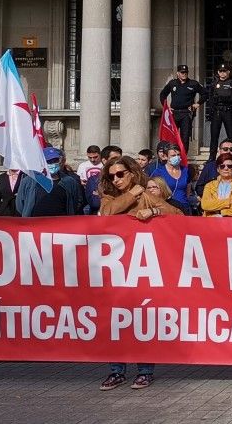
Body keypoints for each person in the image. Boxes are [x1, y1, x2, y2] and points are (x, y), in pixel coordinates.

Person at [98, 156, 181, 390]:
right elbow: (106, 213)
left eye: (121, 174)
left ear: (132, 173)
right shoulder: (111, 197)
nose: (116, 179)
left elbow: (178, 216)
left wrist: (153, 210)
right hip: (116, 270)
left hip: (143, 268)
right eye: (112, 176)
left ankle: (145, 371)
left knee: (142, 321)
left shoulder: (147, 196)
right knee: (115, 322)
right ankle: (116, 371)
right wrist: (133, 194)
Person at [17, 147, 85, 217]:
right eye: (49, 161)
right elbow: (20, 205)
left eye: (55, 160)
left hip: (61, 224)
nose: (53, 163)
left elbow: (76, 202)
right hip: (35, 224)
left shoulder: (69, 181)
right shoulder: (29, 181)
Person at [159, 64, 205, 155]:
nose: (184, 74)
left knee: (185, 137)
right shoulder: (172, 83)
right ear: (178, 73)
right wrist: (166, 107)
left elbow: (205, 94)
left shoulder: (193, 83)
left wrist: (198, 103)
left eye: (185, 72)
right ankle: (170, 156)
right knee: (171, 136)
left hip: (186, 113)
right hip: (174, 113)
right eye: (182, 72)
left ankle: (183, 157)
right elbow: (162, 95)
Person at [203, 63, 232, 159]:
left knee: (231, 135)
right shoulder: (214, 84)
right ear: (218, 72)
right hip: (217, 112)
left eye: (224, 71)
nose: (222, 73)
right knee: (214, 136)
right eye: (221, 71)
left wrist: (231, 107)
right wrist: (213, 109)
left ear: (228, 72)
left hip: (228, 112)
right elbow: (210, 98)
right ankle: (212, 157)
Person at [200, 152, 232, 218]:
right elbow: (205, 205)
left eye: (229, 166)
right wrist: (228, 202)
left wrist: (221, 212)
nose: (226, 168)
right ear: (218, 169)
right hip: (212, 221)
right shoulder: (209, 185)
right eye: (222, 166)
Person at [149, 145, 190, 213]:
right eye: (173, 155)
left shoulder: (186, 171)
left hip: (184, 208)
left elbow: (188, 190)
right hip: (167, 209)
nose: (176, 157)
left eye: (178, 155)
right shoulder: (158, 172)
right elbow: (151, 190)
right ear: (165, 157)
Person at [83, 146, 124, 214]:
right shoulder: (94, 180)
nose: (119, 161)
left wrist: (103, 195)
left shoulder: (126, 177)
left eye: (120, 158)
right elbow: (95, 203)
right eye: (114, 158)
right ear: (104, 160)